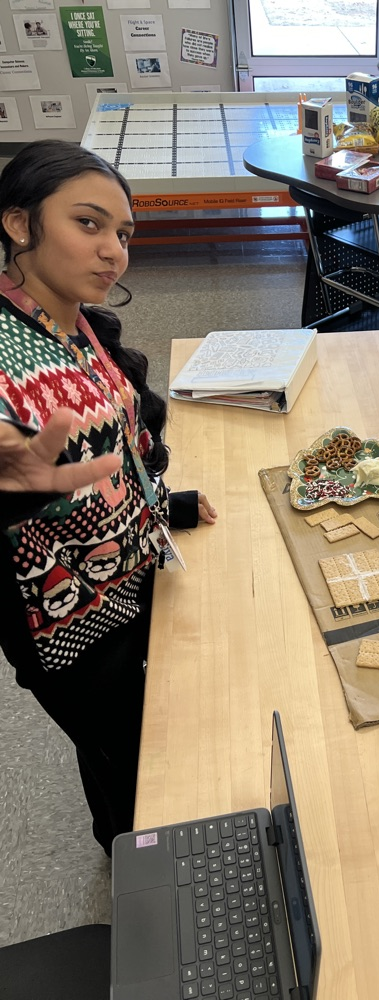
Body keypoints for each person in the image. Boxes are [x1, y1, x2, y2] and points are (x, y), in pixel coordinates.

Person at [0, 140, 217, 853]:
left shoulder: (74, 317)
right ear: (18, 224)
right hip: (67, 628)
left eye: (122, 234)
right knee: (135, 766)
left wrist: (163, 502)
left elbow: (117, 443)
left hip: (130, 578)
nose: (113, 251)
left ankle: (115, 834)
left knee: (123, 748)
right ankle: (138, 866)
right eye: (88, 224)